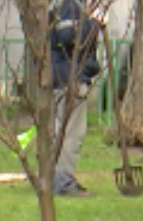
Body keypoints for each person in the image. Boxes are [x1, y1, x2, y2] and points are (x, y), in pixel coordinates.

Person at [49, 0, 103, 197]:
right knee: (72, 132)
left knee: (59, 130)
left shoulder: (61, 7)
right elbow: (67, 35)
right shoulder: (70, 7)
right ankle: (63, 181)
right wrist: (93, 25)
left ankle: (53, 178)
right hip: (69, 77)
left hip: (61, 76)